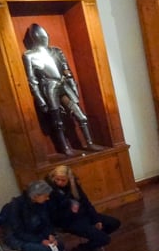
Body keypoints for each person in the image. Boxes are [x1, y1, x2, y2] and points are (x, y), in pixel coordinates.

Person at [22, 23, 103, 157]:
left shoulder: (56, 51)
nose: (44, 39)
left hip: (63, 85)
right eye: (40, 37)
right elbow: (32, 80)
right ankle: (65, 147)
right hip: (49, 87)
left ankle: (89, 143)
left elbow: (66, 71)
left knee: (81, 117)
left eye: (45, 36)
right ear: (34, 38)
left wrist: (73, 87)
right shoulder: (29, 56)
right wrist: (40, 99)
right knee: (57, 121)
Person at [45, 165, 120, 251]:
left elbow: (86, 203)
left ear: (69, 179)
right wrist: (69, 206)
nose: (59, 182)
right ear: (53, 178)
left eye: (63, 180)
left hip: (83, 215)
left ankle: (93, 242)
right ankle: (82, 248)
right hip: (68, 221)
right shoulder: (50, 191)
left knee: (113, 223)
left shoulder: (74, 186)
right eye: (57, 179)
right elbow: (53, 214)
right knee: (104, 239)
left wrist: (96, 219)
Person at [2, 181, 63, 251]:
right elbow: (18, 231)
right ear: (35, 196)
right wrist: (40, 240)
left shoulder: (41, 203)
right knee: (43, 250)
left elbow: (46, 222)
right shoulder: (15, 206)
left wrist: (49, 234)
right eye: (45, 196)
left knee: (59, 246)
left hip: (35, 233)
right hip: (17, 238)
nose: (48, 198)